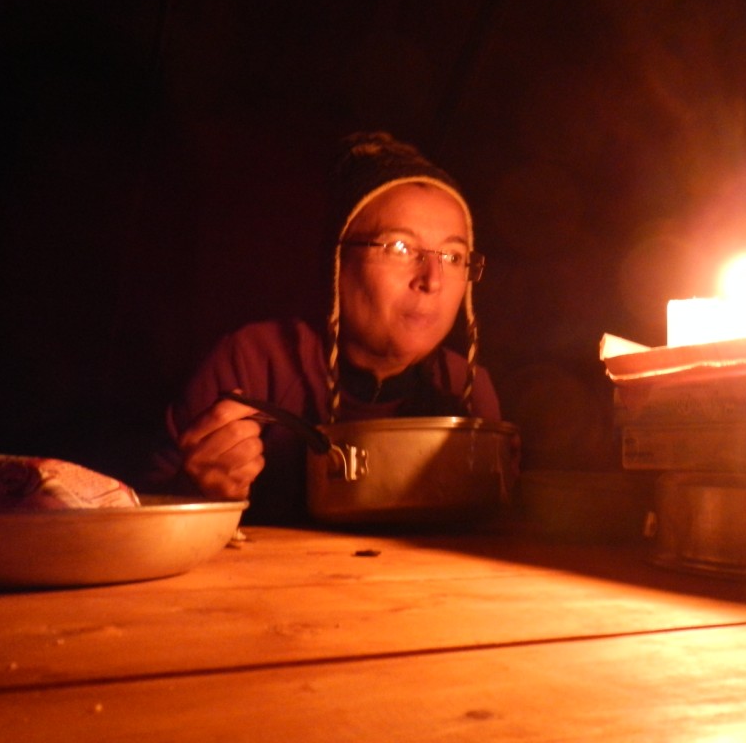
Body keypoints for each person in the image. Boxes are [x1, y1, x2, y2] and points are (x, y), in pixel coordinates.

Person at [143, 132, 504, 524]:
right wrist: (195, 489)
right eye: (399, 248)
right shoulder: (255, 364)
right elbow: (143, 515)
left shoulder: (465, 390)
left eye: (453, 256)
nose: (432, 280)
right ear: (336, 263)